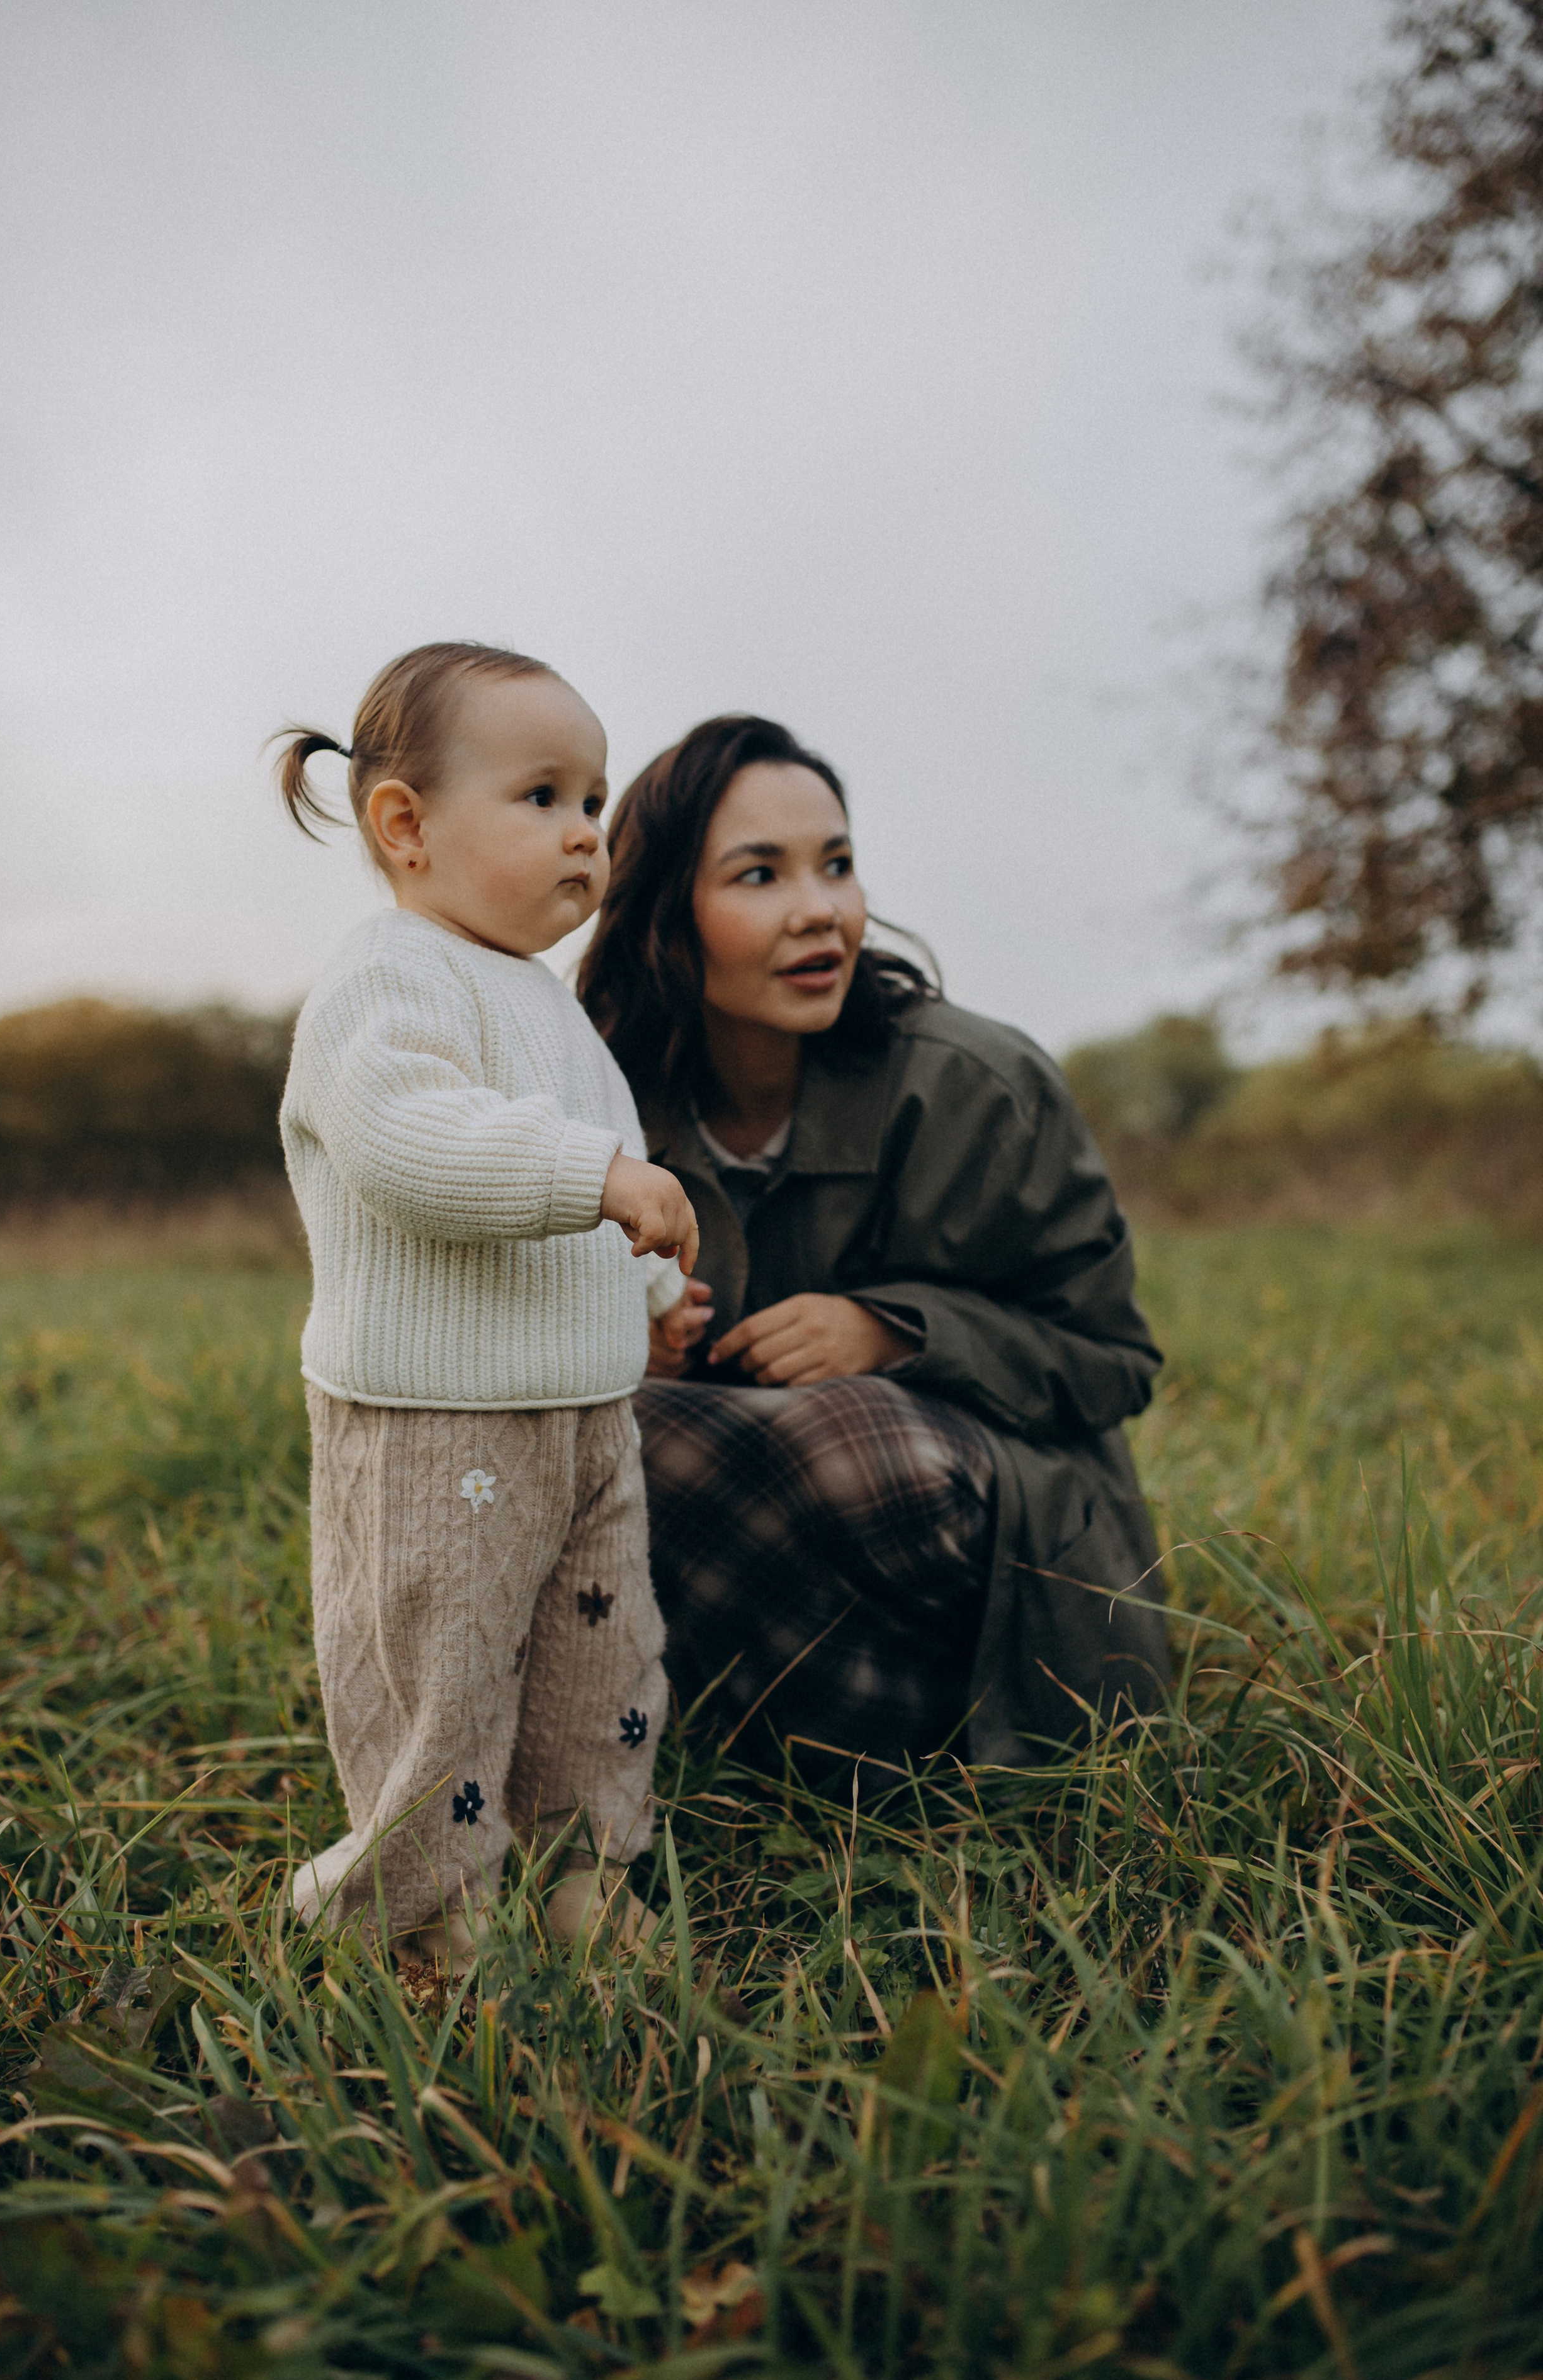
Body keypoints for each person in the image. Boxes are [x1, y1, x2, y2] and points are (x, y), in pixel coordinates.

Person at [577, 714, 1169, 1786]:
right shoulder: (597, 1103)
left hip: (988, 1564)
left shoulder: (978, 1085)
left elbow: (1113, 1359)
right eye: (761, 874)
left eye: (837, 865)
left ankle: (930, 1742)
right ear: (668, 910)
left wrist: (895, 1333)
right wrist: (625, 1350)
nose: (821, 910)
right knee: (566, 1431)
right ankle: (791, 1743)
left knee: (848, 1437)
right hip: (744, 1556)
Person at [274, 642, 697, 1970]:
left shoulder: (556, 1012)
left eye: (594, 800)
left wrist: (649, 1297)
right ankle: (413, 1922)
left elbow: (584, 1197)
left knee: (598, 1674)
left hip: (581, 1427)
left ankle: (585, 1875)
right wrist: (600, 1178)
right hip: (431, 1430)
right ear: (404, 825)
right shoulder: (385, 978)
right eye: (542, 796)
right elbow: (415, 1146)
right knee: (442, 1687)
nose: (585, 833)